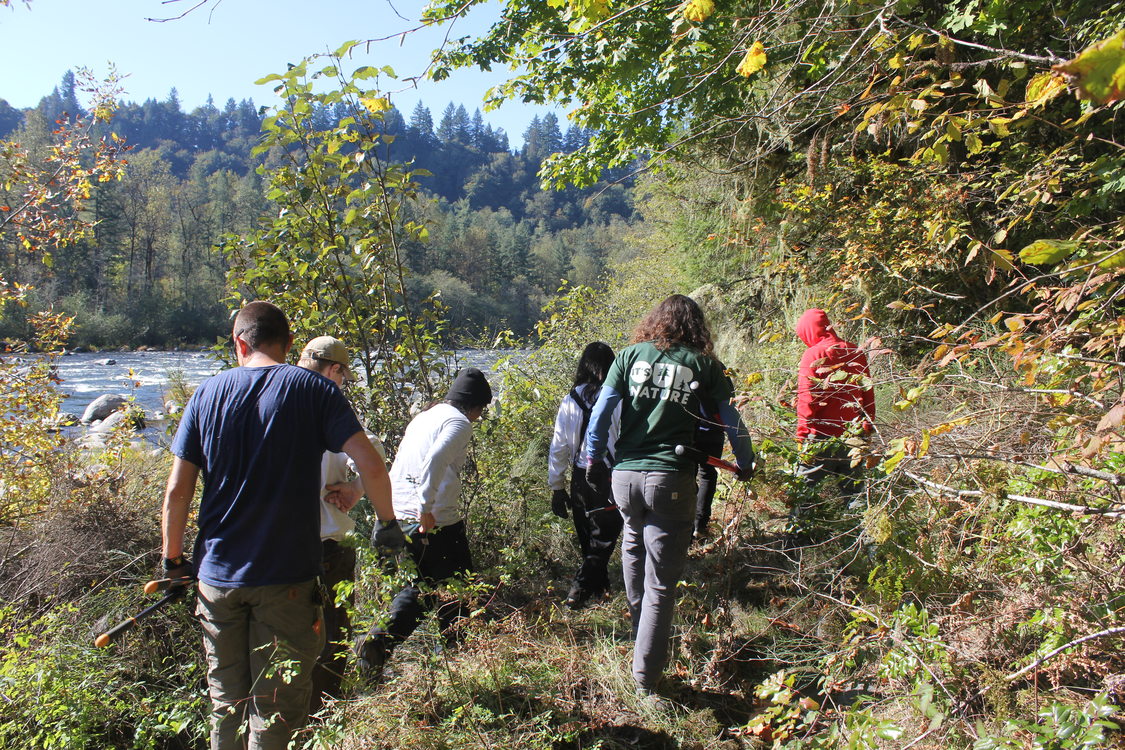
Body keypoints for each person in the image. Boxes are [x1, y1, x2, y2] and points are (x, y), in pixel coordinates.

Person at [161, 301, 406, 750]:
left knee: (225, 703)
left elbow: (178, 490)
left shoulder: (206, 394)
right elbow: (369, 462)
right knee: (276, 708)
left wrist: (173, 561)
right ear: (289, 343)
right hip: (287, 579)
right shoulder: (313, 390)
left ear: (239, 342)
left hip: (217, 578)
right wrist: (387, 522)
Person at [584, 294, 755, 698]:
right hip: (671, 478)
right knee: (661, 582)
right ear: (695, 327)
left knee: (632, 545)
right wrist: (746, 461)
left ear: (655, 321)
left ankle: (641, 632)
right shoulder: (704, 366)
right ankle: (646, 679)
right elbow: (731, 418)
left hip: (624, 477)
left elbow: (602, 411)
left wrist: (593, 457)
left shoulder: (627, 357)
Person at [354, 367, 492, 682]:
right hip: (432, 518)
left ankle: (378, 644)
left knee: (423, 588)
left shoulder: (425, 417)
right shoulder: (458, 422)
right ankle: (459, 657)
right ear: (473, 405)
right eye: (480, 410)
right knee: (459, 583)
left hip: (400, 514)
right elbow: (436, 459)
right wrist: (425, 506)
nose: (478, 417)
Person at [295, 335, 386, 712]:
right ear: (334, 370)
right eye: (344, 377)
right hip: (328, 547)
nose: (342, 384)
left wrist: (353, 489)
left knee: (285, 641)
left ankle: (286, 721)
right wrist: (356, 490)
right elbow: (374, 453)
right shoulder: (329, 405)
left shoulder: (274, 399)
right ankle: (323, 717)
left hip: (275, 548)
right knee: (331, 639)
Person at [547, 342, 623, 609]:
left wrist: (557, 487)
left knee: (590, 539)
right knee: (602, 540)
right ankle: (578, 592)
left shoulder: (570, 400)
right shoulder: (618, 398)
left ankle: (600, 591)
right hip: (610, 476)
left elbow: (559, 446)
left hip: (580, 477)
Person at [793, 308, 875, 500]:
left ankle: (798, 530)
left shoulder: (813, 354)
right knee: (855, 496)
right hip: (852, 435)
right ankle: (861, 529)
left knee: (802, 495)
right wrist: (868, 427)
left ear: (808, 331)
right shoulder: (855, 351)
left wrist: (802, 436)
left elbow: (807, 400)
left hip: (820, 437)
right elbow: (868, 392)